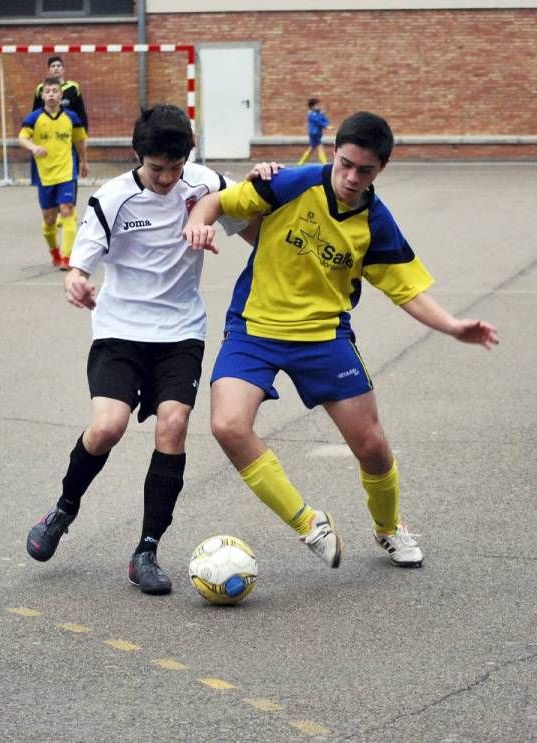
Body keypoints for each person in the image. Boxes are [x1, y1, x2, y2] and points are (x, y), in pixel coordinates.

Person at [183, 110, 499, 572]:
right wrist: (199, 222)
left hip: (324, 336)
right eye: (345, 164)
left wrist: (451, 325)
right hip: (255, 327)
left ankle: (390, 528)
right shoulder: (290, 183)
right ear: (334, 152)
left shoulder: (376, 221)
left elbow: (407, 288)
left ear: (381, 170)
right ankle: (309, 523)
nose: (351, 177)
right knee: (228, 426)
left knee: (372, 446)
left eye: (364, 170)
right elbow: (218, 202)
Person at [25, 104, 277, 595]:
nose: (166, 178)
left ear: (188, 157)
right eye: (156, 168)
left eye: (175, 168)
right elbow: (82, 265)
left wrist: (265, 180)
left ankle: (147, 549)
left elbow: (257, 227)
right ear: (138, 156)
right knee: (107, 427)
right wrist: (77, 282)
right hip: (119, 329)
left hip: (180, 331)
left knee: (174, 424)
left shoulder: (205, 184)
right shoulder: (112, 198)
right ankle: (63, 510)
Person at [19, 77, 89, 270]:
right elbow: (22, 138)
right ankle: (55, 252)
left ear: (60, 95)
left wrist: (84, 161)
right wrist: (34, 147)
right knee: (49, 219)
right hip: (45, 175)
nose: (51, 94)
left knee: (67, 210)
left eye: (54, 91)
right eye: (47, 91)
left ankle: (68, 257)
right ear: (42, 95)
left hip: (67, 172)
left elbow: (79, 142)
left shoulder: (72, 118)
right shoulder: (34, 118)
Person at [32, 56, 89, 241]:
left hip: (69, 139)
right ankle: (55, 211)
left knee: (69, 175)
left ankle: (69, 206)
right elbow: (34, 113)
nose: (56, 69)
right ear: (49, 70)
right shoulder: (41, 89)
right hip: (49, 142)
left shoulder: (73, 88)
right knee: (51, 177)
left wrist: (83, 134)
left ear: (63, 69)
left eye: (59, 66)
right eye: (53, 66)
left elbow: (81, 113)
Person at [297, 98, 331, 165]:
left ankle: (301, 163)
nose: (319, 107)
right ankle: (324, 163)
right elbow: (318, 121)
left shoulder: (318, 114)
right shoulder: (311, 114)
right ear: (312, 106)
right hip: (314, 133)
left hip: (317, 133)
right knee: (319, 147)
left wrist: (324, 118)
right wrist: (325, 125)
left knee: (312, 148)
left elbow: (326, 121)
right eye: (317, 105)